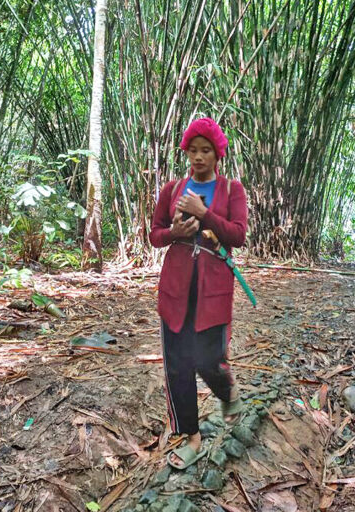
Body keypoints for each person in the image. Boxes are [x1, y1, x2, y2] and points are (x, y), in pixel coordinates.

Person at [149, 117, 248, 470]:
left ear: (218, 154)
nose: (199, 157)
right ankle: (191, 437)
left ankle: (228, 392)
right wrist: (174, 232)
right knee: (178, 365)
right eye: (193, 150)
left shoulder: (231, 190)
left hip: (213, 289)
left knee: (208, 359)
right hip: (176, 287)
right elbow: (155, 234)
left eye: (206, 150)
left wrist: (205, 214)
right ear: (186, 152)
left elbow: (238, 235)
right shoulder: (172, 189)